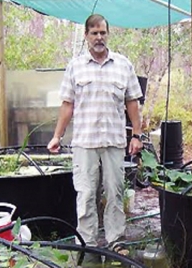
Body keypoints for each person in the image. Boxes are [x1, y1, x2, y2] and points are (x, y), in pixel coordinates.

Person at [47, 14, 143, 247]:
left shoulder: (123, 65)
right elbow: (67, 105)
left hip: (114, 141)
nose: (99, 37)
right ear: (86, 36)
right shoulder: (75, 67)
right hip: (84, 142)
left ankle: (115, 241)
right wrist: (57, 136)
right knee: (86, 194)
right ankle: (87, 244)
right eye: (94, 33)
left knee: (115, 192)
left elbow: (132, 102)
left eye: (103, 32)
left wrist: (137, 136)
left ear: (108, 34)